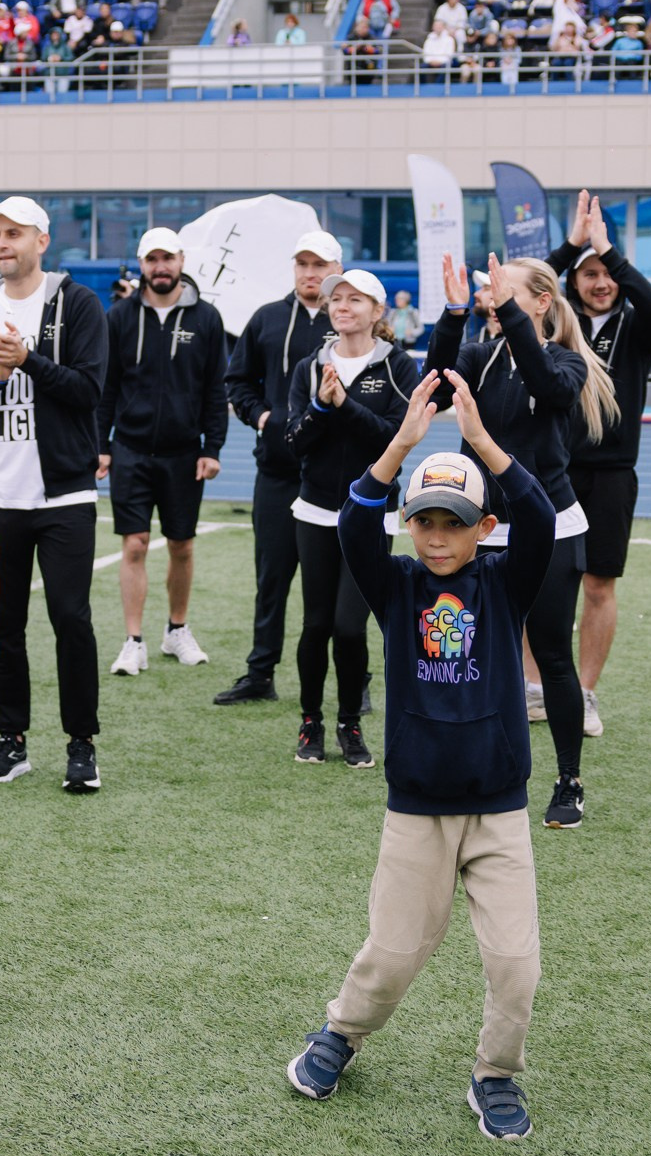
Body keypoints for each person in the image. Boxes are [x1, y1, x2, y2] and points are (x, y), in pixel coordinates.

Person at [283, 371, 555, 1142]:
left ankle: (495, 1074)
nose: (438, 537)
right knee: (393, 953)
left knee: (516, 966)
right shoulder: (396, 586)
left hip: (499, 810)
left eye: (455, 523)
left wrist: (482, 444)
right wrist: (401, 443)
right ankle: (341, 1033)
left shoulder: (506, 583)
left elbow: (538, 518)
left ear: (482, 528)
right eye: (425, 521)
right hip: (419, 810)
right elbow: (351, 524)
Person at [430, 254, 620, 830]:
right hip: (481, 527)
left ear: (539, 302)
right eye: (492, 290)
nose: (493, 296)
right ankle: (475, 766)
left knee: (552, 657)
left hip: (549, 526)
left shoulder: (565, 363)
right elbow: (435, 386)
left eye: (504, 290)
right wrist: (453, 311)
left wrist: (507, 312)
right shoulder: (479, 357)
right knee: (470, 652)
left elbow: (546, 385)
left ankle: (568, 780)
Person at [0, 197, 111, 793]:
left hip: (64, 496)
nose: (3, 244)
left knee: (70, 619)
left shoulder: (76, 303)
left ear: (42, 241)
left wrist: (28, 361)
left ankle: (81, 744)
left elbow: (88, 389)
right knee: (1, 625)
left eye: (15, 234)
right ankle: (13, 739)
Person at [286, 267, 434, 768]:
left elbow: (395, 439)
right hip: (314, 511)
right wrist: (322, 409)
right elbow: (292, 442)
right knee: (315, 625)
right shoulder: (311, 365)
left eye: (355, 299)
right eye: (336, 299)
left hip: (370, 514)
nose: (342, 306)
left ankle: (350, 722)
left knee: (351, 627)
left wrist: (343, 405)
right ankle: (311, 722)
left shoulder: (398, 367)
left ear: (378, 312)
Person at [545, 191, 651, 738]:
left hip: (613, 474)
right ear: (573, 280)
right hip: (550, 471)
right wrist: (572, 246)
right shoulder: (552, 327)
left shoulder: (639, 329)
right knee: (540, 582)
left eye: (607, 273)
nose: (601, 282)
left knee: (598, 585)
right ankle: (534, 688)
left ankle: (586, 693)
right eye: (588, 273)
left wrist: (608, 251)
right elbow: (524, 290)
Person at [217, 231, 341, 705]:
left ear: (337, 267)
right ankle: (260, 673)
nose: (311, 273)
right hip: (277, 472)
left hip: (335, 478)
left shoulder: (349, 319)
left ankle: (352, 678)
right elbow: (238, 380)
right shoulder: (267, 318)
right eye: (303, 264)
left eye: (320, 265)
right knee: (271, 577)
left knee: (332, 586)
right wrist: (262, 417)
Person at [97, 226, 227, 674]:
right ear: (142, 265)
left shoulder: (206, 319)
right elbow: (106, 385)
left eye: (167, 259)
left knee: (182, 546)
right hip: (130, 450)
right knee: (134, 545)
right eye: (152, 260)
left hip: (184, 453)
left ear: (181, 261)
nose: (160, 267)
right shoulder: (118, 316)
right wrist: (102, 445)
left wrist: (214, 447)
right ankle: (133, 641)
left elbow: (215, 388)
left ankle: (176, 630)